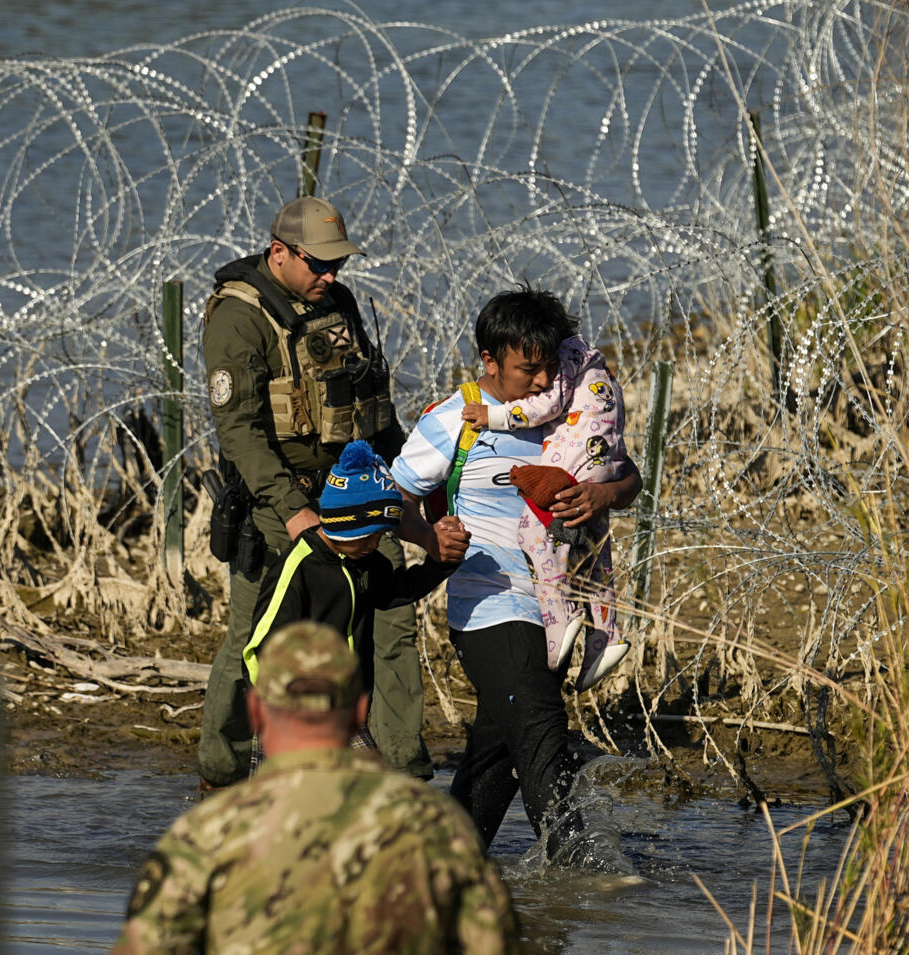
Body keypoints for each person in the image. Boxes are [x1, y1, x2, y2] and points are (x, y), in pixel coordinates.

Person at [198, 195, 468, 788]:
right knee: (257, 634)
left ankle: (400, 768)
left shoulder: (336, 302)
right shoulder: (238, 318)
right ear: (279, 253)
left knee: (392, 616)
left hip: (358, 490)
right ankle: (223, 769)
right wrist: (294, 513)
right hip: (277, 504)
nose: (331, 275)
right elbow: (239, 433)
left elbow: (369, 403)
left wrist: (412, 476)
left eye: (337, 264)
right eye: (319, 264)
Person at [389, 285, 642, 863]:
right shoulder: (454, 420)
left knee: (500, 742)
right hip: (488, 598)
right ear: (490, 361)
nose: (540, 381)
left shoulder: (569, 406)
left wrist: (602, 493)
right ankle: (578, 865)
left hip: (559, 605)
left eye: (550, 365)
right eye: (528, 369)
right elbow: (390, 499)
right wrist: (428, 537)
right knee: (538, 718)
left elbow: (630, 478)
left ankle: (441, 862)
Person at [110, 621, 520, 955]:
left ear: (255, 710)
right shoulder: (438, 825)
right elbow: (494, 946)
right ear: (361, 712)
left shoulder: (206, 834)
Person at [241, 439, 461, 768]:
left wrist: (440, 564)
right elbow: (260, 648)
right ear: (346, 524)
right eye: (371, 535)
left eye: (382, 535)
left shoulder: (364, 561)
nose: (377, 544)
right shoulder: (299, 567)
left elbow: (393, 592)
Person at [460, 328, 632, 688]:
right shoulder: (592, 361)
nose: (541, 377)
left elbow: (545, 406)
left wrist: (491, 417)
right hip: (604, 460)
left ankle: (561, 617)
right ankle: (607, 635)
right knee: (591, 551)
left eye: (544, 365)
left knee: (535, 533)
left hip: (576, 460)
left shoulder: (563, 358)